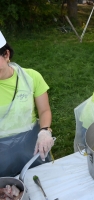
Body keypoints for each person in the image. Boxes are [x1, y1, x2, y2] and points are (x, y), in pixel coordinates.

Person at [0, 31, 54, 177]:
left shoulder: (31, 77)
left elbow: (44, 111)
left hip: (31, 143)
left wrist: (44, 131)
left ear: (6, 55)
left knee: (42, 179)